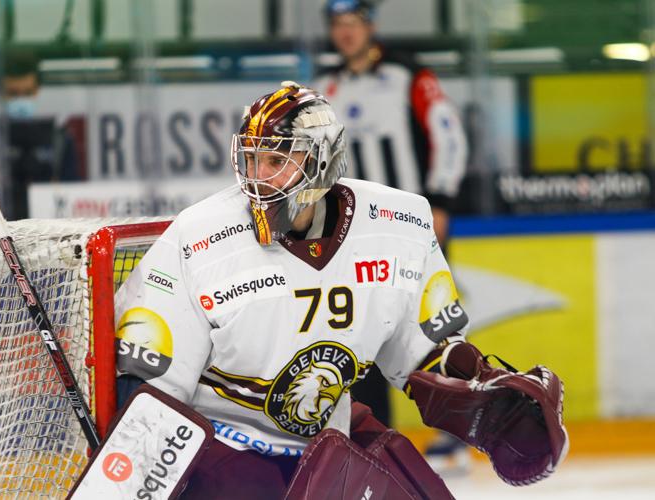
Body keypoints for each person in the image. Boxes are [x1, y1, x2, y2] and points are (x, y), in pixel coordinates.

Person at [113, 82, 567, 498]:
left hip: (330, 438)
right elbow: (151, 389)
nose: (258, 177)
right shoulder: (199, 237)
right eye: (252, 160)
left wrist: (477, 389)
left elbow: (422, 353)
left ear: (321, 161)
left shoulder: (397, 224)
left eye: (277, 161)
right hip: (223, 445)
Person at [313, 1, 469, 465]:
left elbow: (449, 137)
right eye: (338, 25)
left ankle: (457, 433)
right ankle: (373, 441)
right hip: (357, 233)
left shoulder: (409, 76)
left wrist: (440, 200)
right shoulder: (327, 87)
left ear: (370, 27)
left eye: (353, 23)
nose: (345, 33)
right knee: (362, 333)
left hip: (414, 226)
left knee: (433, 328)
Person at [0, 51, 79, 218]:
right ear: (0, 92)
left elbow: (75, 205)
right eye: (13, 93)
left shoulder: (60, 145)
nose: (21, 100)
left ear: (37, 90)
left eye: (27, 93)